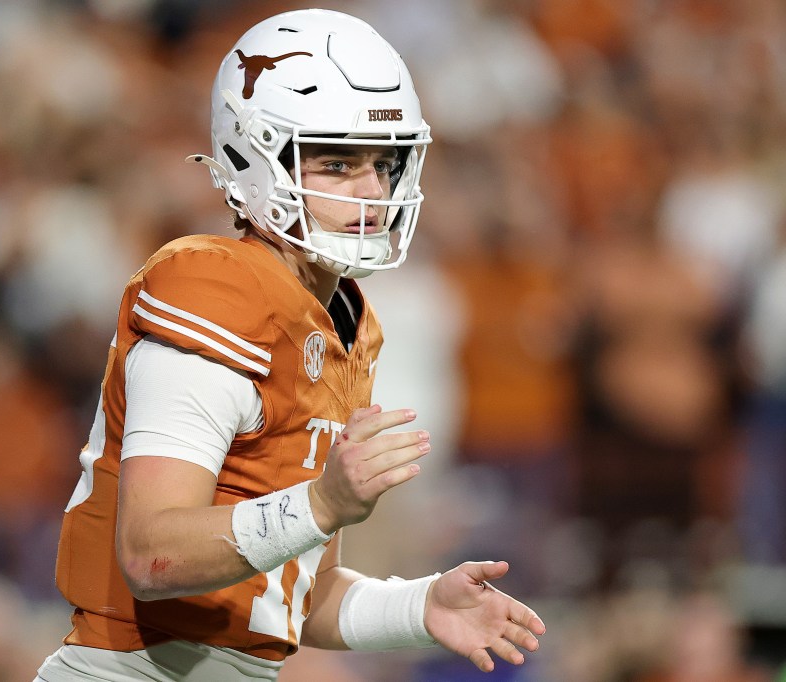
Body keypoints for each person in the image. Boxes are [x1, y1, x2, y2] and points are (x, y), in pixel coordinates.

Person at [35, 9, 546, 682]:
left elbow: (288, 598)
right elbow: (152, 552)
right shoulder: (212, 292)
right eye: (337, 162)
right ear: (254, 160)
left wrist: (420, 608)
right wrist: (324, 503)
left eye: (384, 164)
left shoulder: (338, 323)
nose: (371, 192)